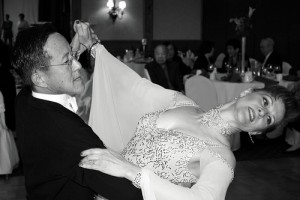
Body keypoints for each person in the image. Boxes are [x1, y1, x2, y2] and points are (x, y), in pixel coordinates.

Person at [77, 29, 300, 200]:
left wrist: (129, 171)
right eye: (265, 101)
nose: (262, 112)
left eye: (268, 119)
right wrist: (94, 47)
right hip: (99, 188)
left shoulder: (221, 155)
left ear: (259, 130)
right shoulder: (182, 102)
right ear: (249, 91)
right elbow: (135, 86)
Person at [12, 22, 142, 200]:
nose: (78, 66)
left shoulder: (25, 99)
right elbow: (130, 193)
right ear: (39, 77)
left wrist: (70, 52)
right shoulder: (70, 135)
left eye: (73, 57)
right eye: (67, 61)